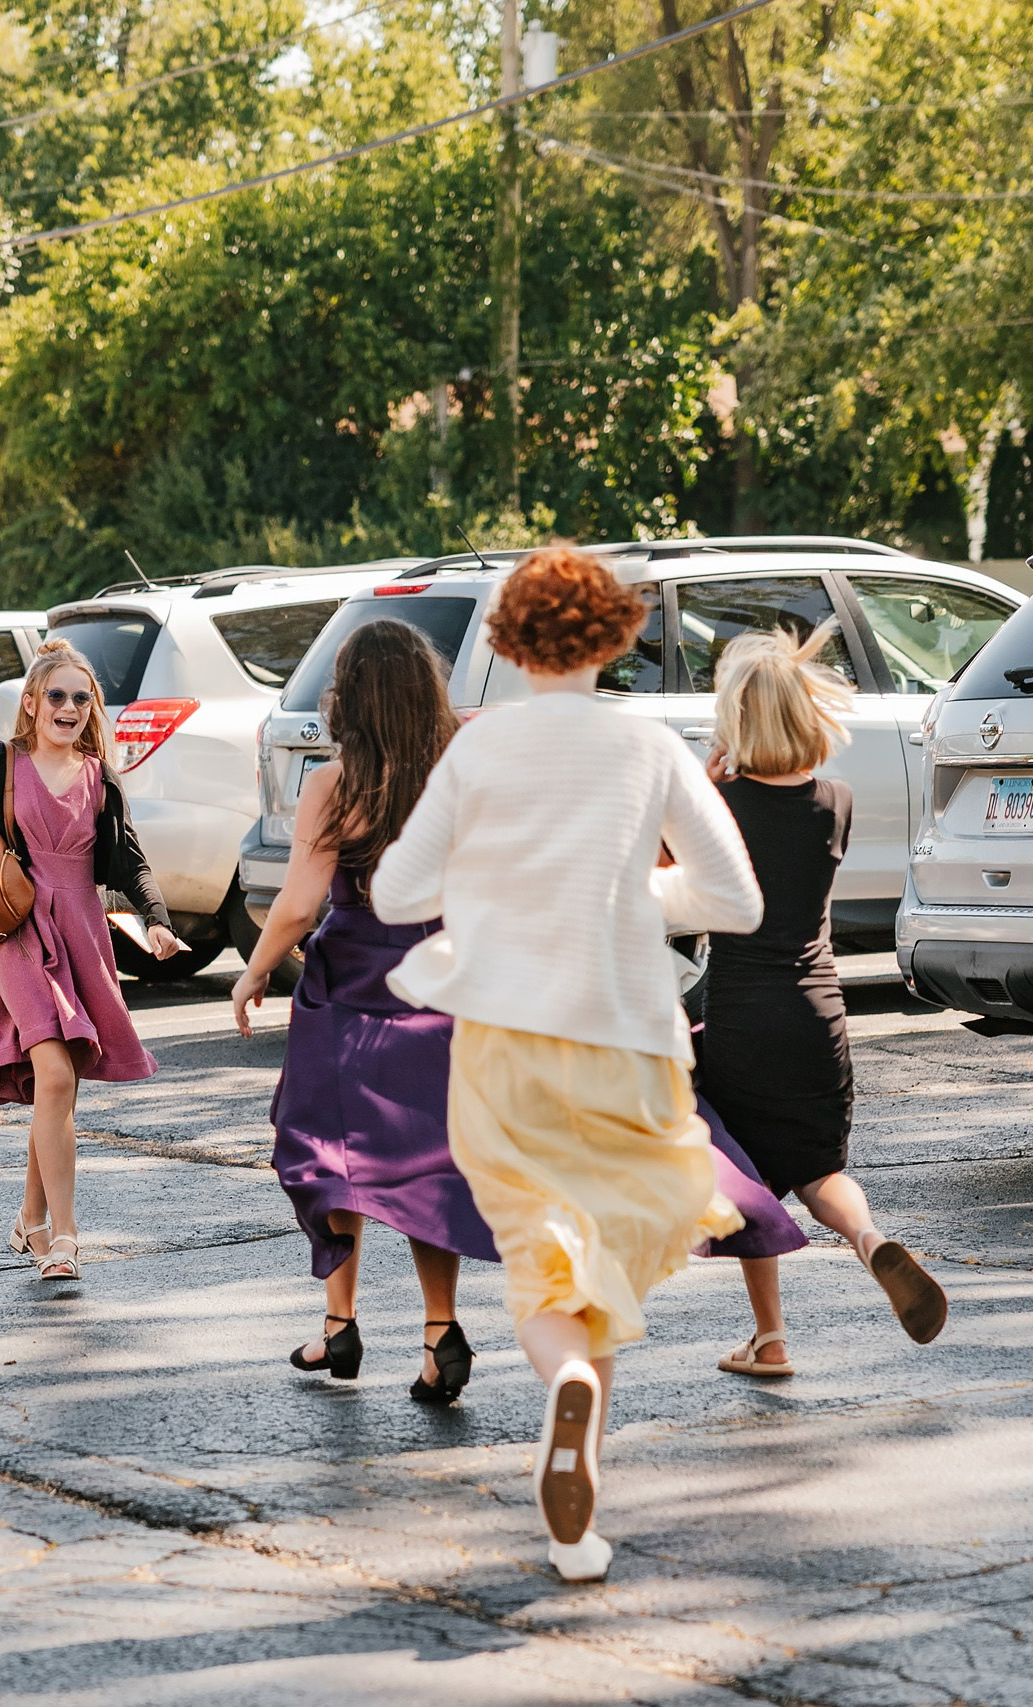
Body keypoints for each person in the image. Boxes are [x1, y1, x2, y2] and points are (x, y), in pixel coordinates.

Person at [371, 546, 762, 1584]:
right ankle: (577, 1509)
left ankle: (562, 1397)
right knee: (613, 1248)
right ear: (611, 636)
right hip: (628, 1037)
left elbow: (397, 895)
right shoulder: (646, 747)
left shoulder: (478, 752)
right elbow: (737, 901)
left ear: (507, 640)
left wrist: (494, 884)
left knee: (540, 1245)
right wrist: (635, 898)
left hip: (503, 1037)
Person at [233, 618, 500, 1404]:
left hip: (348, 987)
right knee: (424, 1160)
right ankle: (439, 1331)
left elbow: (298, 903)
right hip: (439, 984)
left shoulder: (335, 782)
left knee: (329, 1155)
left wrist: (252, 974)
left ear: (351, 695)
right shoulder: (463, 768)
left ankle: (341, 1326)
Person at [695, 626, 949, 1377]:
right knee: (817, 1171)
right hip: (818, 1015)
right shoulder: (833, 803)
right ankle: (869, 1239)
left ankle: (771, 1337)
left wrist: (707, 788)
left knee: (748, 1181)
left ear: (735, 723)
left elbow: (662, 870)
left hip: (741, 1017)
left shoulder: (721, 808)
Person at [0, 639, 187, 1283]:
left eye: (81, 697)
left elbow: (130, 860)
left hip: (84, 935)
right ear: (33, 703)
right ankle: (65, 1237)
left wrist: (156, 922)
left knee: (57, 1084)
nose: (68, 707)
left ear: (91, 708)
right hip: (19, 934)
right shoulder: (2, 764)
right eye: (56, 696)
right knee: (55, 1072)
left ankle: (28, 1218)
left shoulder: (100, 778)